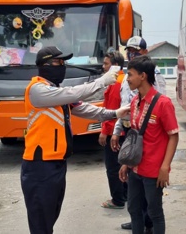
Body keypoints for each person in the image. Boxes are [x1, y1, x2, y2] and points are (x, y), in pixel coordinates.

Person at [21, 46, 130, 234]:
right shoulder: (38, 90)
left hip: (56, 163)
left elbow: (84, 109)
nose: (62, 66)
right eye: (58, 63)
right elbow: (74, 94)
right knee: (41, 221)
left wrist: (115, 113)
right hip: (39, 165)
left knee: (50, 215)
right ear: (44, 65)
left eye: (64, 63)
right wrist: (102, 81)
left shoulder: (55, 91)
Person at [109, 36, 166, 232]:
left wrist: (164, 165)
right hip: (131, 130)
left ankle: (148, 221)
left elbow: (161, 106)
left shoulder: (152, 73)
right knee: (134, 190)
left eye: (135, 50)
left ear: (144, 51)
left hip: (149, 130)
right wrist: (117, 130)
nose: (130, 53)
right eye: (129, 50)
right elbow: (125, 106)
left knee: (151, 196)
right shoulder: (128, 76)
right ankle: (138, 220)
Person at [119, 55, 179, 234]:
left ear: (143, 76)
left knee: (154, 213)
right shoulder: (134, 101)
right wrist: (126, 163)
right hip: (135, 169)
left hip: (153, 171)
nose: (127, 79)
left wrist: (165, 167)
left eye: (130, 74)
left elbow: (173, 137)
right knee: (134, 210)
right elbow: (135, 136)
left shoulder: (163, 103)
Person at [98, 51, 127, 209]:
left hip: (115, 132)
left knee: (113, 167)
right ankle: (125, 194)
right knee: (123, 163)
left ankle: (117, 200)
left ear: (115, 66)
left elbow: (112, 111)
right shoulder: (124, 80)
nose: (103, 67)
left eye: (106, 64)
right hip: (123, 130)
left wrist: (105, 131)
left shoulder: (115, 83)